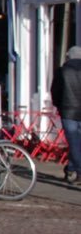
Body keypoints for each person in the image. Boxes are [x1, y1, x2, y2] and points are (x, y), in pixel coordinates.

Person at [49, 46, 81, 183]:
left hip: (68, 110)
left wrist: (58, 105)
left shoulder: (62, 71)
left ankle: (77, 169)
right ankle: (71, 168)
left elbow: (55, 91)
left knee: (74, 143)